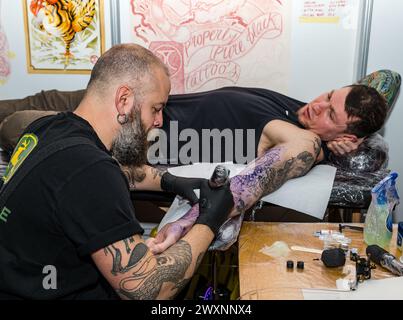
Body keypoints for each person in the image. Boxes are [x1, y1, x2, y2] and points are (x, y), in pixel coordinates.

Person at [0, 44, 235, 300]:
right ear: (124, 101)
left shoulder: (48, 128)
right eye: (156, 109)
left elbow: (88, 179)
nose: (159, 121)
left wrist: (171, 182)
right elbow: (149, 291)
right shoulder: (89, 169)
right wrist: (210, 219)